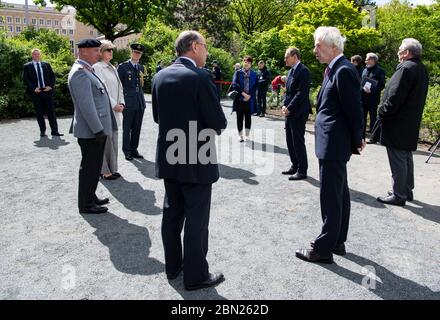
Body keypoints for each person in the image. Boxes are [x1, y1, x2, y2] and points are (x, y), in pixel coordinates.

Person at [152, 30, 227, 290]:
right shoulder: (200, 77)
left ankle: (173, 267)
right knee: (196, 220)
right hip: (196, 157)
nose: (207, 52)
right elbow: (218, 121)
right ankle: (195, 277)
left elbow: (157, 118)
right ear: (194, 47)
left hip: (170, 156)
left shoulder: (159, 76)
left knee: (171, 215)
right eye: (205, 46)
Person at [296, 27, 365, 264]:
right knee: (339, 193)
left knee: (331, 196)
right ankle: (337, 241)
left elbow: (354, 108)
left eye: (318, 45)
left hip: (334, 142)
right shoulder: (334, 68)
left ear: (333, 46)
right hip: (331, 141)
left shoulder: (344, 70)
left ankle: (323, 248)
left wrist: (358, 138)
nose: (314, 50)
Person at [376, 38, 429, 206]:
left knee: (398, 156)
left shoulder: (406, 68)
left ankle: (399, 194)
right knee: (405, 155)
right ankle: (406, 190)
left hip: (398, 121)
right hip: (410, 121)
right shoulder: (421, 68)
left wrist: (382, 111)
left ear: (406, 53)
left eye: (400, 50)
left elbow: (395, 95)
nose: (397, 53)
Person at [68, 39, 117, 214]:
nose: (99, 53)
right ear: (84, 51)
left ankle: (91, 196)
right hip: (91, 131)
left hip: (95, 129)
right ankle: (86, 204)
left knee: (94, 166)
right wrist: (98, 130)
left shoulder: (87, 69)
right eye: (96, 50)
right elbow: (87, 106)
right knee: (89, 167)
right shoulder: (80, 73)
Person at [93, 40, 125, 180]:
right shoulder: (98, 67)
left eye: (112, 50)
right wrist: (113, 104)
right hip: (106, 110)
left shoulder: (112, 67)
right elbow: (102, 89)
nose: (110, 52)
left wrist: (122, 103)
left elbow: (120, 88)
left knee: (114, 139)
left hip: (116, 109)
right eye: (107, 50)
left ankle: (113, 168)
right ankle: (104, 171)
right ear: (100, 52)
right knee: (106, 140)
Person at [281, 47, 312, 181]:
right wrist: (284, 105)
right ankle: (295, 165)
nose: (285, 59)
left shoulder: (303, 71)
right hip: (289, 111)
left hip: (298, 112)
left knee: (298, 141)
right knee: (290, 140)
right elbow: (288, 92)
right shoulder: (290, 72)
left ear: (294, 56)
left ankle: (302, 169)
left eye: (287, 56)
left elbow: (302, 93)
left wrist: (290, 108)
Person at [22, 48, 63, 137]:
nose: (36, 55)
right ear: (32, 55)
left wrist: (50, 86)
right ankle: (42, 131)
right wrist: (34, 88)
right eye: (34, 54)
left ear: (40, 55)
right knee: (39, 113)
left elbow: (52, 76)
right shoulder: (27, 66)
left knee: (51, 112)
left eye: (37, 54)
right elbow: (26, 79)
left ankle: (54, 131)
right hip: (36, 92)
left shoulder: (46, 65)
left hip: (47, 91)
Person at [117, 43, 146, 161]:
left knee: (137, 127)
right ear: (131, 52)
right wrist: (120, 101)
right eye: (135, 52)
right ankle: (127, 150)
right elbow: (118, 86)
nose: (137, 54)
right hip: (128, 102)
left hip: (139, 102)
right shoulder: (123, 67)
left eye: (139, 53)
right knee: (127, 127)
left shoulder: (141, 68)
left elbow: (141, 85)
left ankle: (134, 149)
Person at [230, 55, 258, 142]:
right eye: (245, 62)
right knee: (239, 118)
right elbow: (234, 84)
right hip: (240, 99)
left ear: (251, 64)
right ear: (243, 62)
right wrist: (243, 94)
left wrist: (249, 96)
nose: (246, 64)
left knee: (248, 118)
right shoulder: (238, 73)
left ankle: (247, 135)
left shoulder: (254, 74)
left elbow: (255, 86)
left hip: (250, 100)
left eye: (249, 62)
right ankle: (240, 135)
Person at [361, 53, 386, 142]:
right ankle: (361, 136)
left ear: (372, 60)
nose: (365, 61)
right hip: (363, 98)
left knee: (373, 119)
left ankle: (373, 138)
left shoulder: (380, 71)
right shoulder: (364, 70)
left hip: (373, 99)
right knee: (362, 118)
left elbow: (382, 85)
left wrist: (372, 91)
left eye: (367, 59)